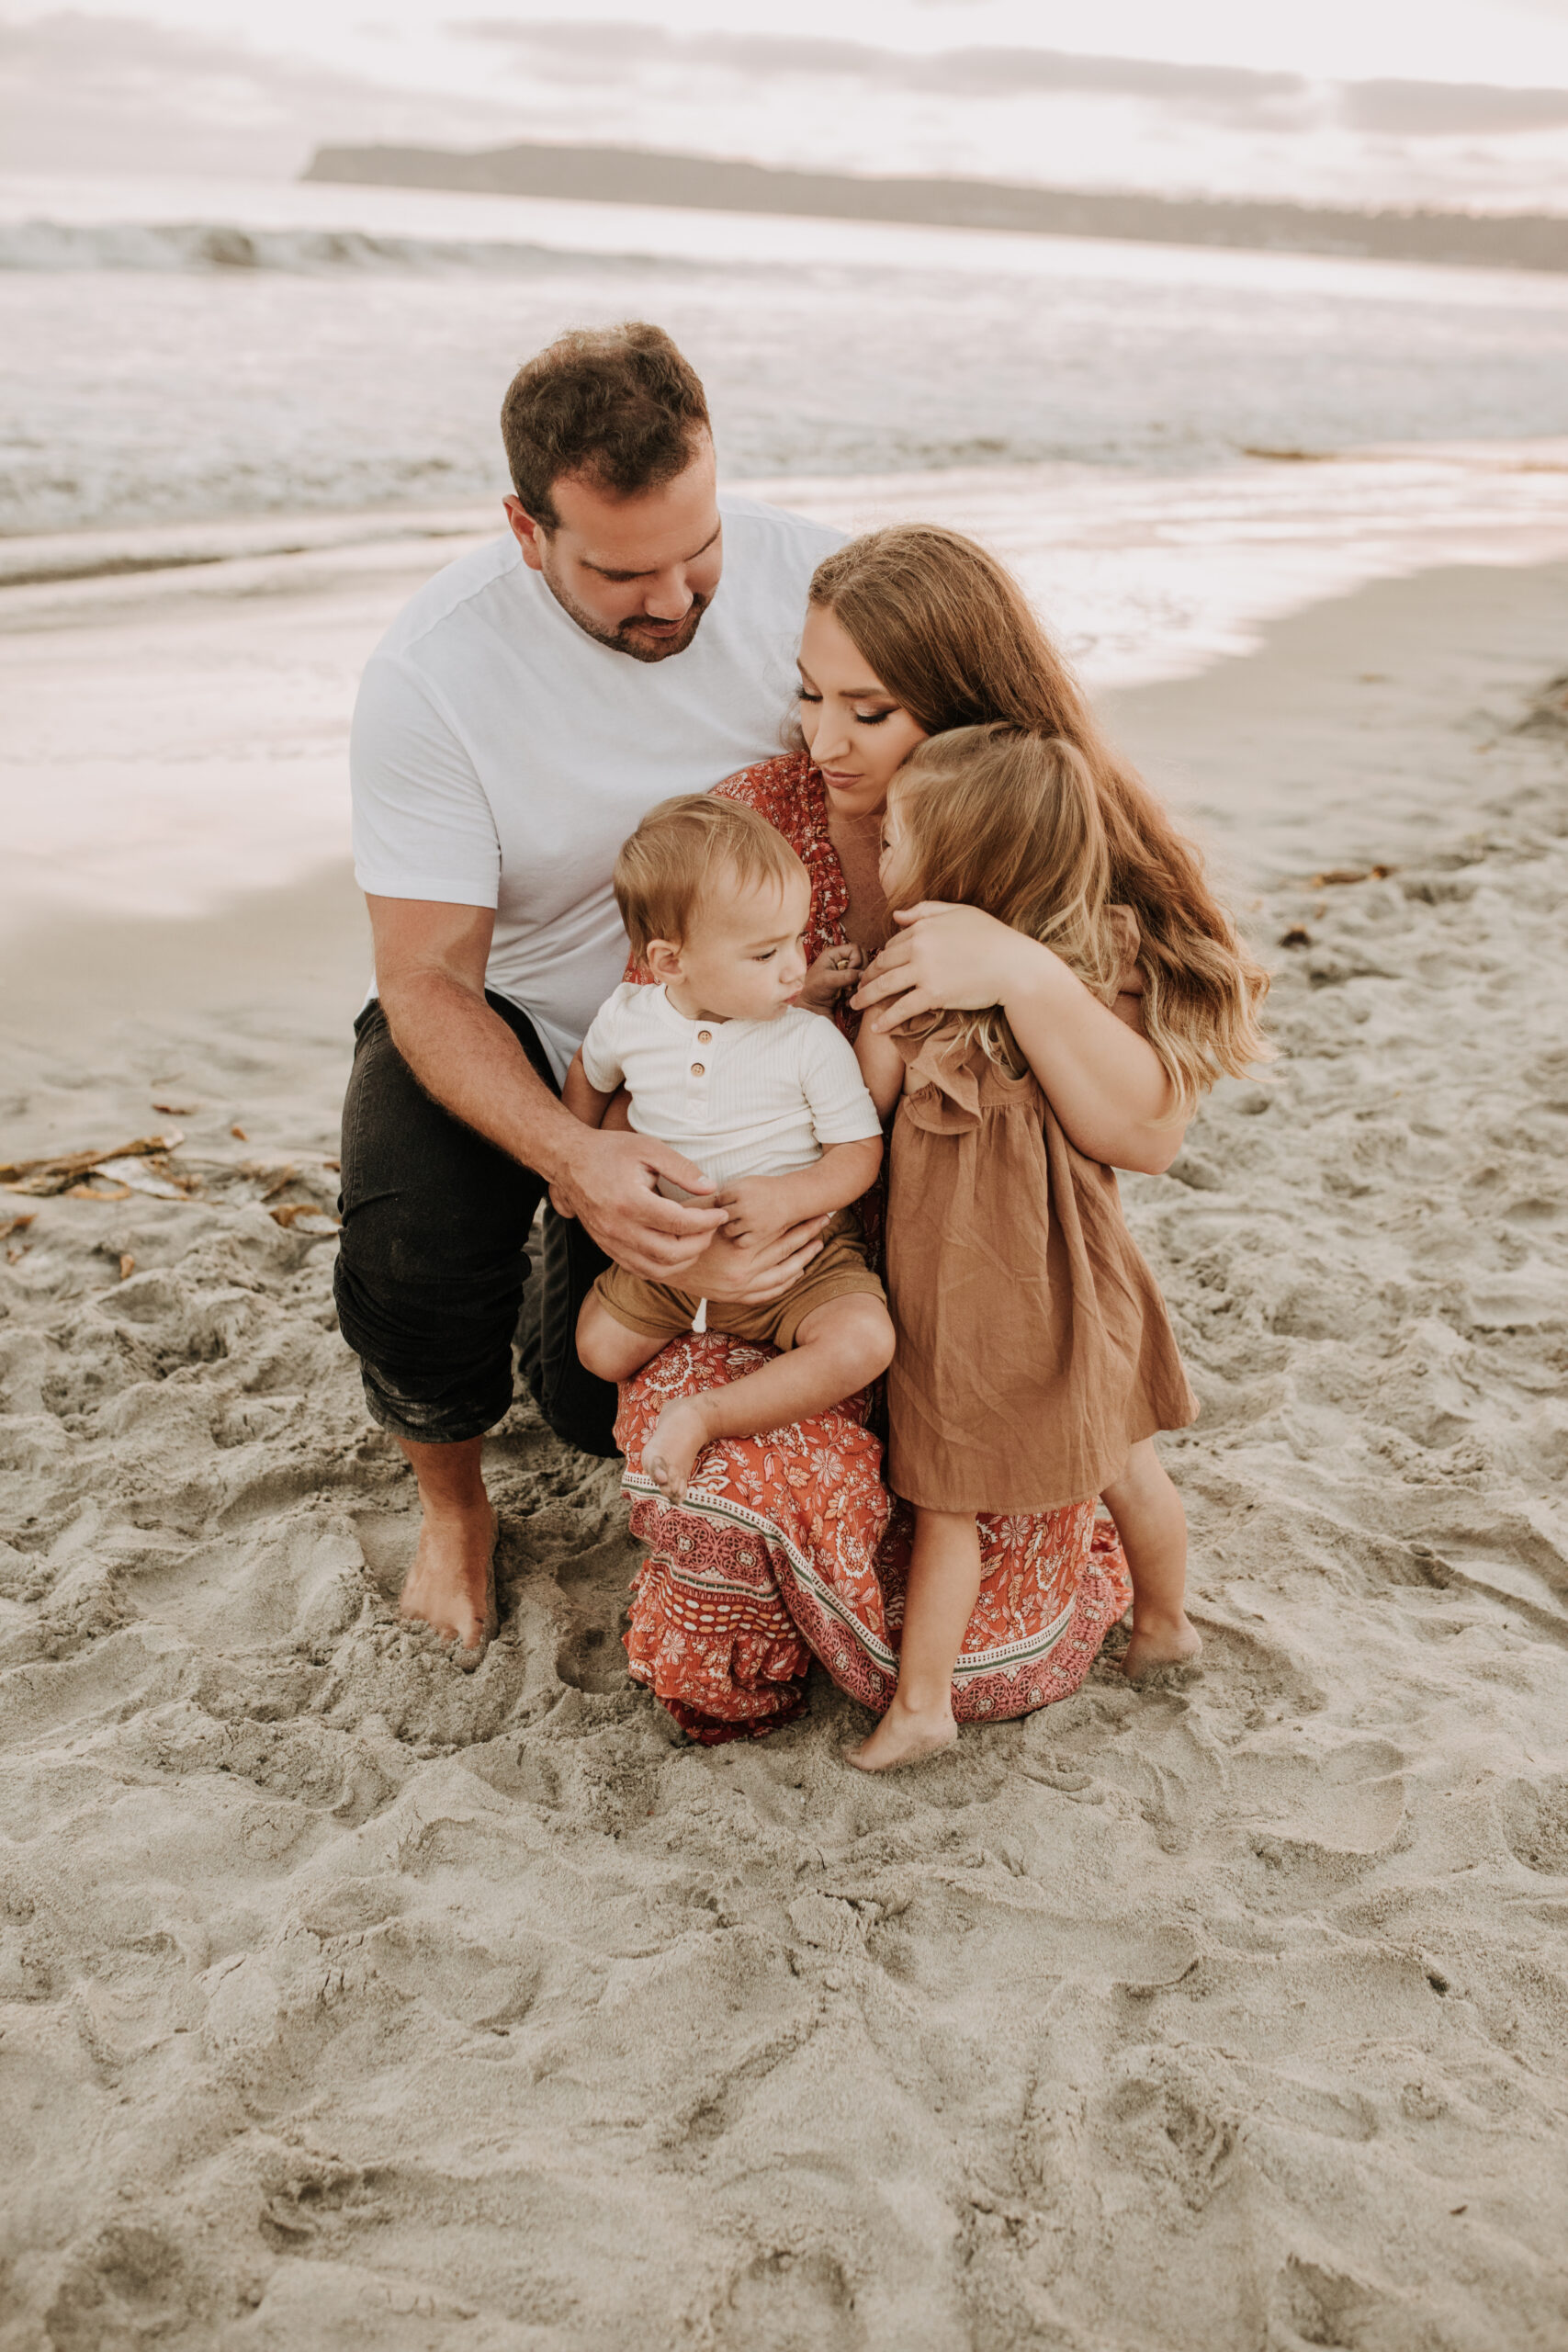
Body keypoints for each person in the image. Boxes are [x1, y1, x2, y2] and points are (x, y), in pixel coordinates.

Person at [617, 524, 1269, 1743]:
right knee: (722, 1597)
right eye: (809, 695)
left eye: (868, 711)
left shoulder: (1053, 851)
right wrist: (679, 1236)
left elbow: (1144, 1133)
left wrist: (1019, 971)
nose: (821, 742)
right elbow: (648, 1051)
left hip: (990, 1294)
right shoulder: (754, 831)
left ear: (974, 717)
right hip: (793, 1280)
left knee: (989, 1589)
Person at [333, 322, 843, 1665]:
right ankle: (452, 1508)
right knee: (403, 1204)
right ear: (525, 530)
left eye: (699, 549)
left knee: (572, 1399)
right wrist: (574, 1155)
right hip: (547, 1044)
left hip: (762, 1032)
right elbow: (428, 977)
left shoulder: (816, 585)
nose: (675, 598)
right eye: (621, 573)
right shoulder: (434, 675)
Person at [849, 725, 1215, 1770]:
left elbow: (861, 1117)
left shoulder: (901, 992)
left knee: (947, 1505)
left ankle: (923, 1705)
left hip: (960, 1290)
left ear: (953, 870)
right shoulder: (1090, 974)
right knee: (1127, 1465)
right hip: (1081, 1275)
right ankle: (1164, 1623)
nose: (878, 850)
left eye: (896, 838)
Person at [565, 795, 894, 1500]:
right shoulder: (627, 1019)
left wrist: (791, 1196)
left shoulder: (806, 1039)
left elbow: (859, 1151)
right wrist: (574, 1170)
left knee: (864, 1341)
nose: (791, 968)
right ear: (668, 962)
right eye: (765, 952)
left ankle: (705, 1415)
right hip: (669, 1260)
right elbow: (586, 1082)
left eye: (796, 942)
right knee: (595, 1351)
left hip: (795, 1262)